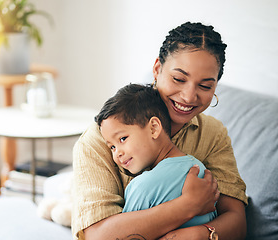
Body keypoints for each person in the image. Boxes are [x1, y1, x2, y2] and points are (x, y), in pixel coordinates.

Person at [72, 22, 247, 240]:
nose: (189, 96)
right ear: (157, 69)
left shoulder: (212, 134)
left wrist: (199, 235)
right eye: (179, 79)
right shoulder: (100, 139)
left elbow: (237, 221)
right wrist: (187, 206)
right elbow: (97, 237)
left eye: (205, 86)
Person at [94, 83, 217, 228]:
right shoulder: (200, 171)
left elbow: (126, 234)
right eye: (112, 147)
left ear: (154, 128)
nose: (118, 153)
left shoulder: (142, 187)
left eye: (122, 139)